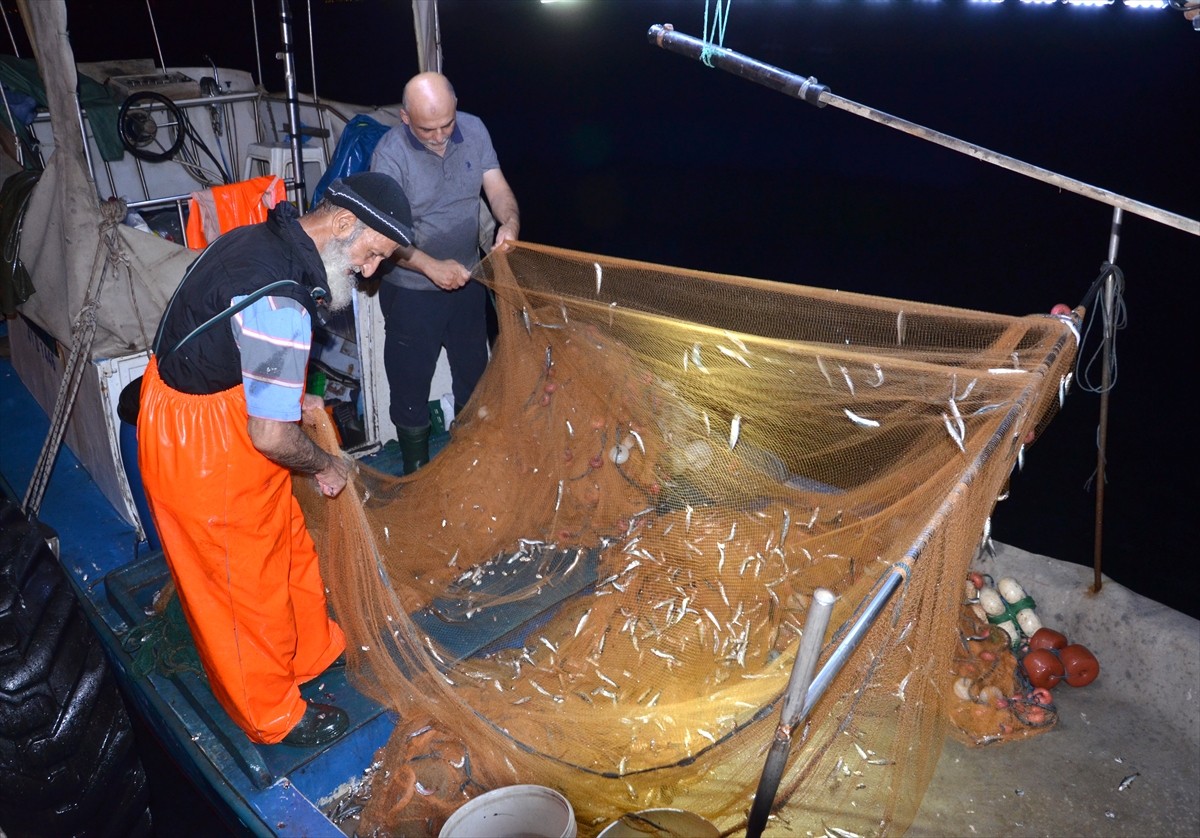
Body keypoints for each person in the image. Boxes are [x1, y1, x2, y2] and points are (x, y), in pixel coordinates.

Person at [137, 172, 415, 747]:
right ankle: (271, 714)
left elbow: (240, 347)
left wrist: (290, 394)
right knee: (244, 587)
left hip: (220, 405)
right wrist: (325, 465)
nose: (369, 271)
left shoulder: (264, 238)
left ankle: (311, 651)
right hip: (199, 443)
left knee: (286, 541)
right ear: (343, 224)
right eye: (372, 254)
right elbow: (269, 437)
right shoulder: (282, 303)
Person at [370, 71, 520, 473]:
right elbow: (382, 233)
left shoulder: (474, 129)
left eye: (446, 125)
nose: (439, 136)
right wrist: (429, 266)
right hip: (411, 288)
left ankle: (471, 458)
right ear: (405, 118)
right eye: (427, 129)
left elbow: (498, 188)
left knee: (474, 376)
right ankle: (416, 469)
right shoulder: (388, 155)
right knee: (409, 384)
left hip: (469, 280)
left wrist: (509, 224)